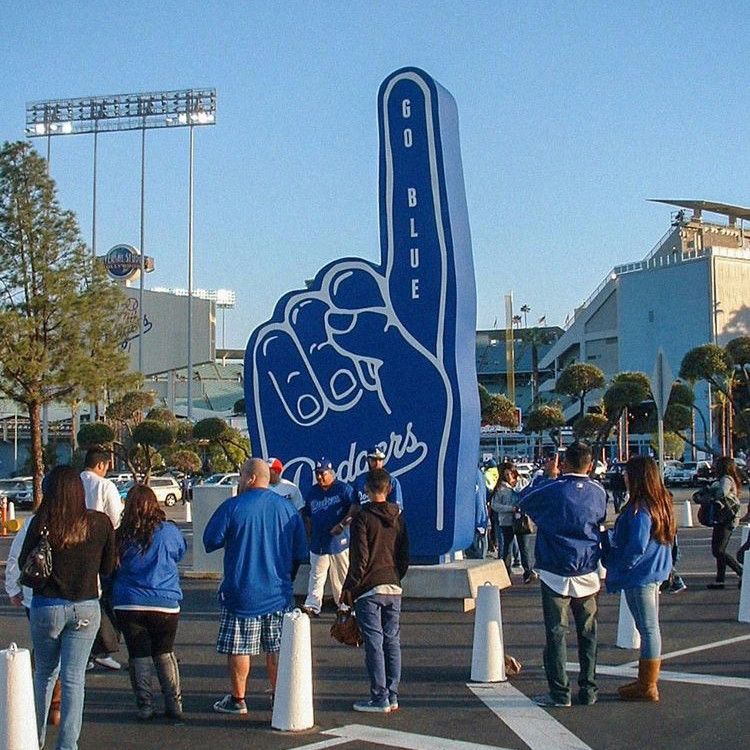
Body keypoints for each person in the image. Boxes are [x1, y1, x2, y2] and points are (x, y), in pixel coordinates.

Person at [19, 465, 116, 750]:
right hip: (85, 606)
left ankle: (34, 739)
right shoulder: (99, 523)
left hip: (47, 605)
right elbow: (108, 567)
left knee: (44, 673)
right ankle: (67, 745)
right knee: (74, 679)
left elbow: (25, 561)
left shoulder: (42, 522)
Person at [203, 458, 308, 715]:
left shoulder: (233, 506)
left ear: (250, 478)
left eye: (241, 476)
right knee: (277, 647)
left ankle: (238, 699)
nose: (239, 480)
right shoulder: (287, 509)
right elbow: (299, 553)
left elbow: (210, 540)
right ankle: (279, 696)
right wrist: (287, 579)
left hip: (241, 592)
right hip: (279, 593)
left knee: (239, 647)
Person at [517, 441, 607, 708]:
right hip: (587, 569)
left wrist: (547, 475)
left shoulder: (553, 489)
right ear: (589, 465)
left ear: (564, 462)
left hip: (555, 569)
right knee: (588, 633)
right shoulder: (598, 492)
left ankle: (560, 693)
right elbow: (600, 520)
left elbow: (525, 499)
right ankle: (589, 689)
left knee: (556, 633)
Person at [603, 456, 675, 701]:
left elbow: (636, 546)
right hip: (653, 571)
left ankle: (648, 685)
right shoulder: (661, 503)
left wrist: (622, 565)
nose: (623, 477)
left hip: (640, 574)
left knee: (648, 628)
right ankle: (646, 681)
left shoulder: (639, 509)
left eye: (627, 473)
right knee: (648, 627)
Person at [112, 485, 187, 721]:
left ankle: (145, 705)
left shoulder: (120, 535)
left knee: (138, 654)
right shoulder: (169, 531)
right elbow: (180, 552)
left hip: (129, 602)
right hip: (164, 602)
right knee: (164, 652)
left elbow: (110, 568)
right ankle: (174, 703)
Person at [341, 468, 409, 713]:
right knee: (392, 641)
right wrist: (396, 576)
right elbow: (404, 555)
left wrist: (350, 588)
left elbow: (360, 557)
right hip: (393, 584)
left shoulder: (362, 517)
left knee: (374, 642)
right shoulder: (398, 516)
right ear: (389, 489)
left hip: (369, 587)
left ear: (366, 490)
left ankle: (379, 697)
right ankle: (392, 694)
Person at [80, 447, 124, 671]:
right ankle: (102, 648)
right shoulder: (105, 486)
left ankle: (85, 653)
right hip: (101, 548)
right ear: (100, 465)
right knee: (104, 599)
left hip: (74, 548)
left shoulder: (74, 482)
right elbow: (115, 519)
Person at [300, 458, 357, 617]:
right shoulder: (313, 492)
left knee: (342, 574)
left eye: (322, 473)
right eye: (317, 474)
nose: (319, 477)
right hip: (319, 541)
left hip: (339, 541)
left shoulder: (343, 489)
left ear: (331, 473)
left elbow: (354, 509)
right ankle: (313, 605)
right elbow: (308, 514)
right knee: (316, 574)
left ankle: (344, 605)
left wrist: (342, 524)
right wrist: (309, 534)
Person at [491, 463, 536, 583]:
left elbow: (529, 496)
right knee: (507, 547)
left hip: (521, 520)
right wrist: (510, 508)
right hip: (507, 521)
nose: (509, 476)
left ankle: (528, 572)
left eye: (511, 473)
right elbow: (495, 505)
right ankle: (506, 572)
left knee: (524, 547)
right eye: (506, 474)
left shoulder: (522, 483)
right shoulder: (500, 488)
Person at [705, 456, 744, 589]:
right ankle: (720, 580)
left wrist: (711, 493)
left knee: (718, 550)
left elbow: (722, 492)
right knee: (719, 550)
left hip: (726, 518)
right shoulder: (729, 479)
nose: (714, 467)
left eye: (716, 465)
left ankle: (741, 572)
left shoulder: (726, 479)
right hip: (725, 518)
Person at [464, 466, 489, 559]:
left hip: (475, 519)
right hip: (479, 518)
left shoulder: (472, 475)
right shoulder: (479, 474)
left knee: (475, 550)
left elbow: (478, 499)